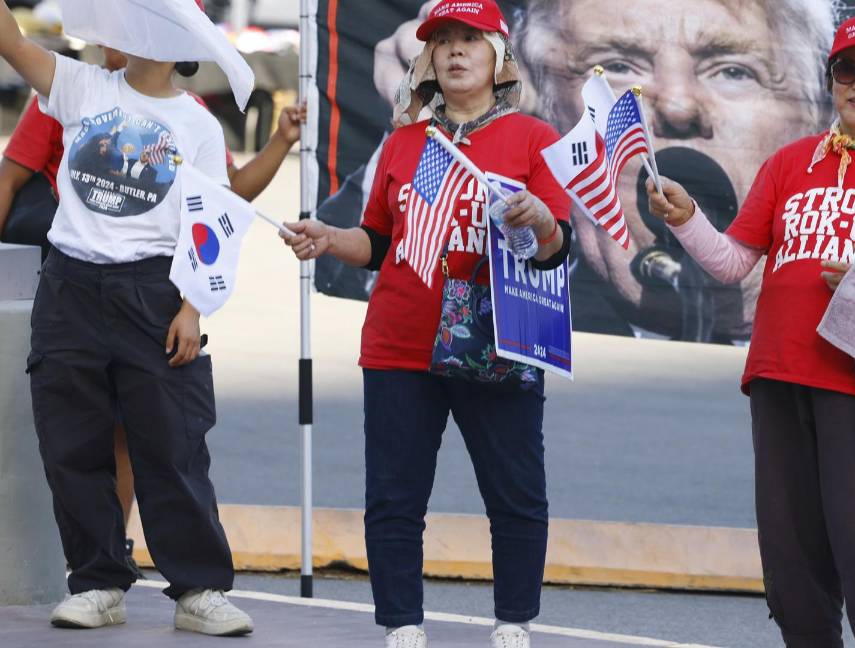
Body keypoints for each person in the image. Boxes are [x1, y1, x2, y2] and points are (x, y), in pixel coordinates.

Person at [647, 14, 855, 648]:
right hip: (776, 372)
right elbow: (733, 262)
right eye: (847, 70)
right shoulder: (790, 162)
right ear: (830, 79)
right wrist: (687, 220)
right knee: (790, 549)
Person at [283, 2, 569, 647]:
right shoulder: (407, 142)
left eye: (471, 39)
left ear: (500, 57)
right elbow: (378, 241)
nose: (456, 51)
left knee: (516, 492)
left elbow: (557, 249)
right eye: (443, 42)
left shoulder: (533, 139)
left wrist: (541, 221)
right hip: (399, 343)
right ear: (427, 61)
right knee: (394, 496)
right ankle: (403, 625)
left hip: (500, 340)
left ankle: (513, 622)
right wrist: (331, 237)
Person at [0, 44, 306, 580]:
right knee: (74, 441)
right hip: (69, 281)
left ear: (174, 40)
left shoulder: (197, 122)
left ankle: (196, 586)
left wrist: (193, 305)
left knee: (165, 442)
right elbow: (14, 57)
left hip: (150, 289)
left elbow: (220, 208)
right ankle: (98, 576)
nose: (120, 34)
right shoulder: (77, 85)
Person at [512, 0, 837, 342]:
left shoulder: (839, 330)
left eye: (733, 71)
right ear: (546, 105)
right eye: (618, 65)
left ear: (818, 115)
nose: (678, 106)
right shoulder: (524, 334)